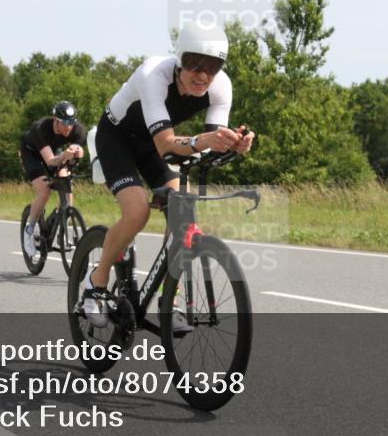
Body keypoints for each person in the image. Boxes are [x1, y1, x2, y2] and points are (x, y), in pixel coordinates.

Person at [85, 21, 254, 328]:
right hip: (117, 139)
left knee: (182, 213)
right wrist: (204, 141)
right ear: (179, 60)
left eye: (213, 66)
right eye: (194, 64)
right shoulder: (154, 74)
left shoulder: (220, 86)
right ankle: (95, 282)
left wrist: (234, 145)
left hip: (154, 144)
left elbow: (209, 145)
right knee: (137, 212)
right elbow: (166, 145)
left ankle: (168, 302)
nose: (203, 75)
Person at [19, 102, 86, 261]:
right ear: (56, 120)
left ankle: (63, 221)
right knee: (45, 190)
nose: (69, 127)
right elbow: (50, 161)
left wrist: (77, 153)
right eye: (65, 123)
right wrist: (64, 156)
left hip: (54, 150)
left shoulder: (77, 130)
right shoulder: (41, 128)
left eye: (72, 122)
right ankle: (29, 231)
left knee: (66, 183)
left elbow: (75, 152)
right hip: (32, 153)